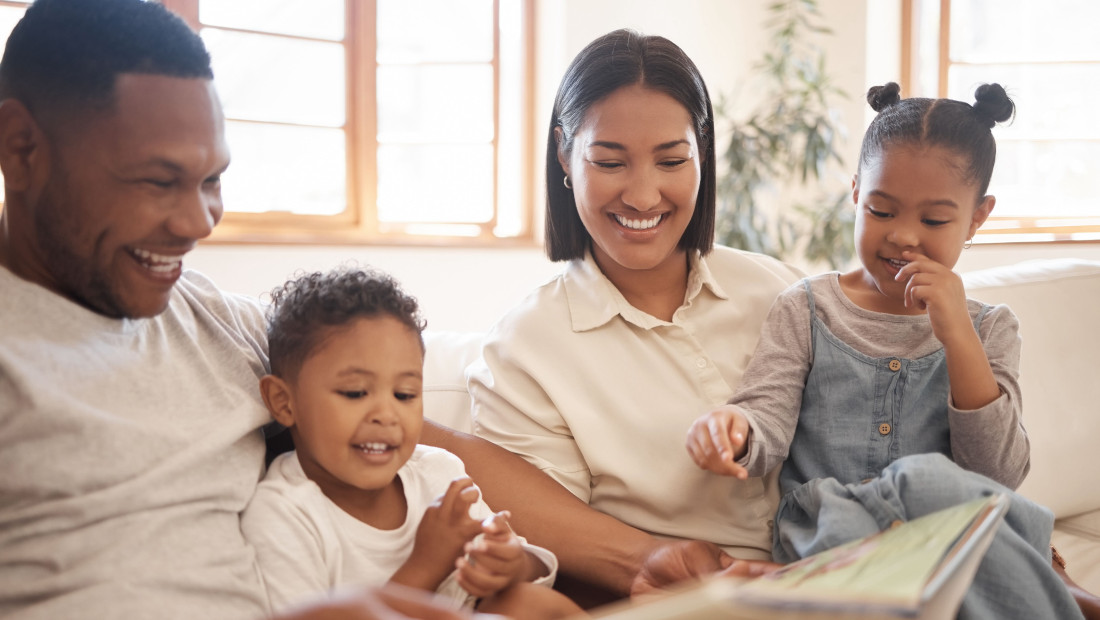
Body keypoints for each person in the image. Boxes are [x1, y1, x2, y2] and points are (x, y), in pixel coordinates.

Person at [0, 1, 554, 618]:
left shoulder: (216, 322)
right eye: (158, 182)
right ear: (21, 149)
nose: (196, 224)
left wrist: (635, 558)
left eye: (211, 182)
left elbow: (402, 426)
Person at [684, 82, 1084, 619]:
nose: (903, 237)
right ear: (855, 194)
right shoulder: (807, 308)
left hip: (946, 523)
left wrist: (958, 337)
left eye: (934, 220)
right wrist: (734, 431)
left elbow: (997, 475)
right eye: (881, 210)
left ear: (978, 217)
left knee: (933, 487)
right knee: (919, 501)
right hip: (837, 523)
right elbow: (766, 418)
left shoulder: (990, 328)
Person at [466, 27, 803, 598]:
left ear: (702, 155)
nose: (644, 197)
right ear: (565, 155)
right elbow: (546, 558)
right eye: (610, 162)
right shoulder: (525, 349)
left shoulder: (778, 290)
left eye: (672, 161)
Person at [242, 267, 581, 619]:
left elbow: (531, 568)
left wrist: (510, 564)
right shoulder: (282, 515)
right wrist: (427, 564)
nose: (386, 415)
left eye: (404, 394)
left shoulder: (438, 473)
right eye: (355, 392)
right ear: (284, 402)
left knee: (527, 602)